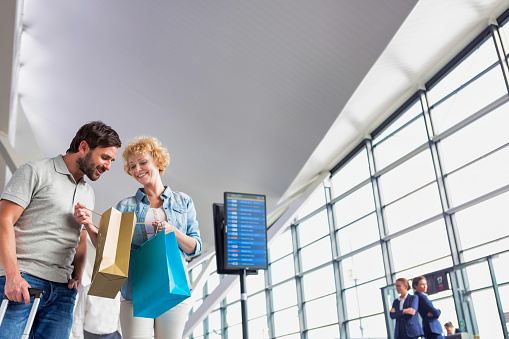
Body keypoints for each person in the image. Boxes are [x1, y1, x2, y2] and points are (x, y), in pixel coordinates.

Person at [0, 121, 121, 338]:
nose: (108, 166)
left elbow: (80, 239)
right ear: (83, 147)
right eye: (105, 158)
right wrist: (12, 276)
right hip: (24, 280)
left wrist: (77, 274)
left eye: (111, 160)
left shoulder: (88, 193)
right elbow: (4, 220)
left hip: (63, 291)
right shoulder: (35, 171)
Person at [114, 136, 201, 339]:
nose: (137, 170)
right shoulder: (125, 207)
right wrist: (92, 228)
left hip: (173, 290)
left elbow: (194, 247)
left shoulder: (183, 201)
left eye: (143, 162)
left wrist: (173, 231)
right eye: (132, 166)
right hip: (135, 292)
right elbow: (114, 252)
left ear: (158, 162)